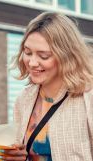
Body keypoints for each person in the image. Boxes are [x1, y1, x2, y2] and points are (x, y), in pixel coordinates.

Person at [12, 12, 93, 161]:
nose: (32, 63)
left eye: (43, 56)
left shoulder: (88, 96)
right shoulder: (24, 99)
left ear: (66, 56)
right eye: (27, 52)